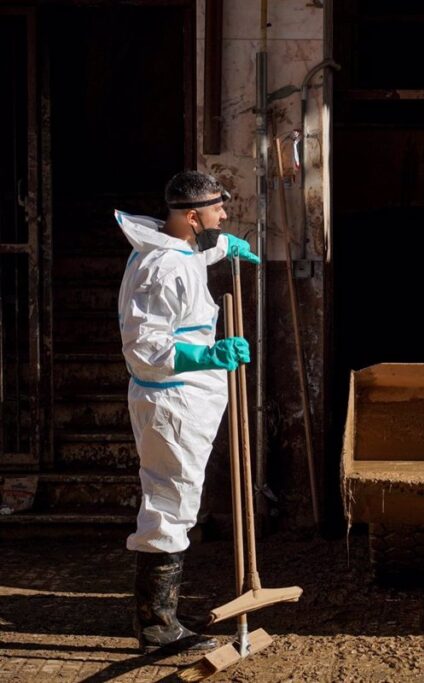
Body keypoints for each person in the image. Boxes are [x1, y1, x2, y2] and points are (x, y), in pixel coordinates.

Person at [115, 171, 259, 653]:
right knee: (169, 506)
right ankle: (157, 626)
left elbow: (192, 256)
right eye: (218, 210)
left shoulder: (180, 251)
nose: (224, 215)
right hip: (171, 400)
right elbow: (144, 346)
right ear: (192, 216)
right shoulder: (162, 268)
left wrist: (224, 247)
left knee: (177, 503)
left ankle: (166, 613)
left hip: (183, 399)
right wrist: (208, 355)